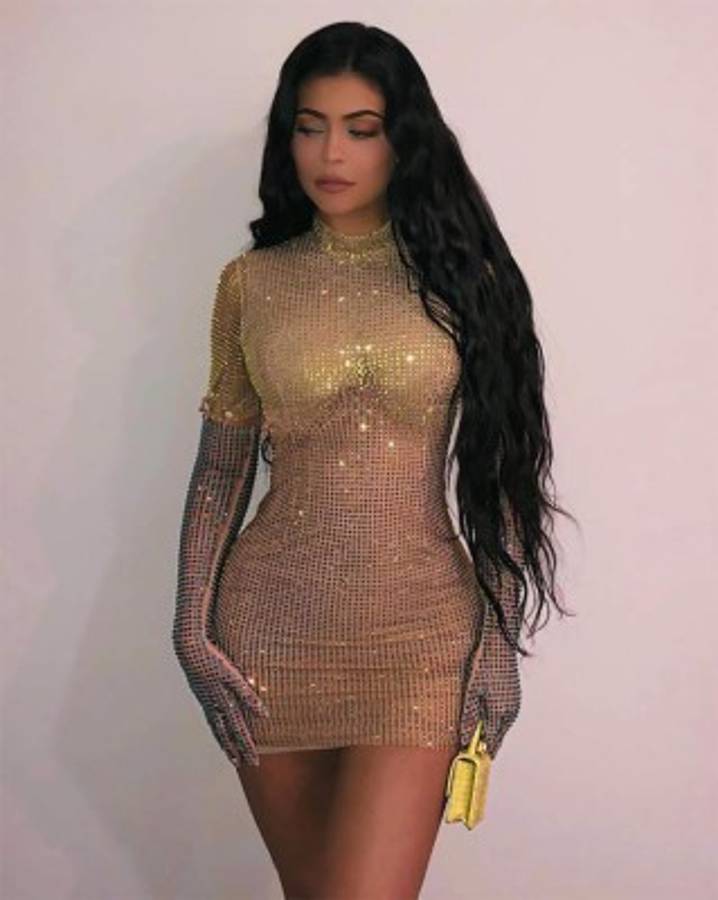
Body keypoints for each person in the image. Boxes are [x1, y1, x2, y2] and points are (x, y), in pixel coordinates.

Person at [172, 20, 575, 900]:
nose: (331, 153)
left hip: (420, 639)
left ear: (405, 139)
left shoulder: (466, 280)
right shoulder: (253, 283)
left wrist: (499, 643)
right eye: (309, 126)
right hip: (270, 637)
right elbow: (220, 472)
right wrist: (190, 631)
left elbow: (499, 477)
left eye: (361, 128)